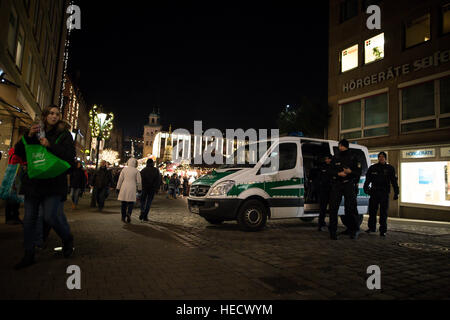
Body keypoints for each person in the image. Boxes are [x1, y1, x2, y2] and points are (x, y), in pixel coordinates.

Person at [13, 105, 75, 270]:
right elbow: (19, 151)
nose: (54, 116)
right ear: (45, 115)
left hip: (54, 183)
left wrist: (50, 145)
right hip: (34, 183)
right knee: (29, 220)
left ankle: (67, 238)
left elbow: (69, 157)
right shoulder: (35, 130)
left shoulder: (64, 134)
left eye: (57, 114)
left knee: (50, 216)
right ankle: (28, 254)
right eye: (51, 113)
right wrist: (28, 135)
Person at [328, 139, 362, 240]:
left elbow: (358, 172)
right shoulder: (336, 157)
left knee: (350, 208)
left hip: (349, 184)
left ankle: (353, 230)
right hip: (337, 184)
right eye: (340, 146)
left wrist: (350, 171)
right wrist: (338, 174)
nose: (340, 147)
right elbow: (330, 171)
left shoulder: (353, 157)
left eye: (342, 146)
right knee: (333, 208)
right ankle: (333, 232)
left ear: (345, 146)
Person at [364, 152, 399, 237]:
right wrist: (366, 188)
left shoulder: (390, 168)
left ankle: (383, 230)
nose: (381, 158)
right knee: (372, 211)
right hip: (374, 192)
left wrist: (396, 192)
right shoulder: (373, 168)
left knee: (383, 212)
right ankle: (371, 227)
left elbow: (394, 181)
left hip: (384, 193)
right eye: (379, 157)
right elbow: (367, 180)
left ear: (385, 158)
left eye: (382, 157)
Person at [117, 158, 142, 223]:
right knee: (131, 202)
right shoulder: (136, 171)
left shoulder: (124, 170)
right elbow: (139, 182)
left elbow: (120, 179)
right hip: (132, 187)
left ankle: (123, 216)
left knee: (123, 203)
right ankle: (129, 213)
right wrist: (139, 189)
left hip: (124, 187)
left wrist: (118, 188)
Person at [317, 154, 333, 232]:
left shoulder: (334, 167)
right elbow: (319, 177)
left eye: (328, 159)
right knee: (322, 208)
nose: (326, 160)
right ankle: (321, 224)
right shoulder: (322, 167)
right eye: (325, 159)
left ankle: (332, 225)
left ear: (330, 159)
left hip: (332, 190)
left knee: (332, 209)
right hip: (323, 190)